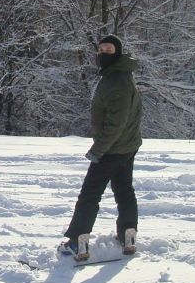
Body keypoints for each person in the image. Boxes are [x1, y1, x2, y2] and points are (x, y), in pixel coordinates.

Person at [60, 34, 143, 262]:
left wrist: (98, 150)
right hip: (127, 146)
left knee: (89, 195)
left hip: (112, 148)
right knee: (124, 191)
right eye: (101, 50)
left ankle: (78, 241)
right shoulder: (122, 75)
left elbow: (116, 123)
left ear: (117, 52)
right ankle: (128, 236)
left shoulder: (115, 80)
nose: (103, 54)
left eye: (108, 50)